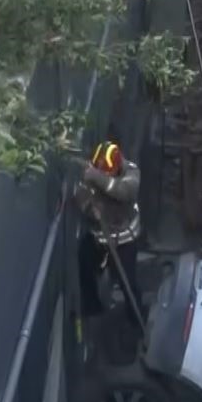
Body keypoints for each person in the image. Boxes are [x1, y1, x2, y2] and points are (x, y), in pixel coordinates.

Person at [74, 140, 142, 329]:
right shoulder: (93, 171)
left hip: (124, 240)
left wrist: (96, 177)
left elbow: (122, 191)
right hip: (100, 236)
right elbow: (80, 194)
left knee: (127, 283)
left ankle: (135, 321)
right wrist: (88, 207)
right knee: (84, 262)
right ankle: (92, 307)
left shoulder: (131, 174)